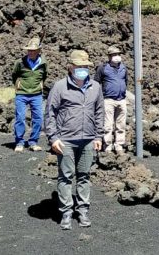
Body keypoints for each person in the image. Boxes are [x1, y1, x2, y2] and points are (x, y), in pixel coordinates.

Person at [44, 49, 105, 230]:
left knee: (84, 176)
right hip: (66, 140)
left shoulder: (96, 87)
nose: (83, 69)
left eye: (85, 66)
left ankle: (83, 210)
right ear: (70, 67)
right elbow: (50, 113)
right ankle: (66, 212)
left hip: (88, 139)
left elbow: (100, 112)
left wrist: (99, 135)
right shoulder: (60, 87)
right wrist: (53, 138)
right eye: (79, 66)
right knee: (66, 176)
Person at [11, 37, 48, 152]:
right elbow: (14, 75)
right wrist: (19, 86)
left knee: (38, 118)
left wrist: (39, 87)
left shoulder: (43, 63)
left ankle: (33, 142)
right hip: (21, 94)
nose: (31, 52)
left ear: (38, 51)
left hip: (36, 94)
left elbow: (44, 76)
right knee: (20, 118)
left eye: (33, 50)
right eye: (29, 50)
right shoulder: (20, 62)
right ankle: (19, 142)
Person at [94, 46, 129, 154]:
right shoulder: (102, 68)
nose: (117, 57)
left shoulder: (123, 68)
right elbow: (96, 82)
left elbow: (126, 81)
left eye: (118, 54)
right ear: (109, 57)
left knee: (121, 125)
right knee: (108, 125)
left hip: (121, 100)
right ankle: (107, 145)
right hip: (108, 100)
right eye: (114, 55)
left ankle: (119, 145)